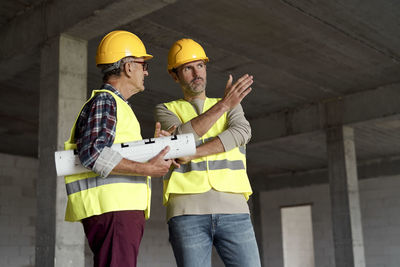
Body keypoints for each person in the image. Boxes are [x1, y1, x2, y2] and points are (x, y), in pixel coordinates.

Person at [63, 30, 174, 267]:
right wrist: (147, 169)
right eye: (142, 64)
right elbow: (93, 153)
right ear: (128, 66)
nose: (146, 71)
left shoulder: (117, 105)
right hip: (114, 211)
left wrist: (152, 152)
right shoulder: (106, 101)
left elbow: (111, 150)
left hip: (117, 211)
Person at [154, 38, 261, 267]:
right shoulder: (166, 109)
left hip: (235, 209)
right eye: (187, 68)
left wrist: (191, 153)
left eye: (200, 65)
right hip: (186, 212)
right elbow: (176, 144)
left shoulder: (234, 104)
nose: (196, 73)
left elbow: (242, 133)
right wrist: (222, 106)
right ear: (175, 75)